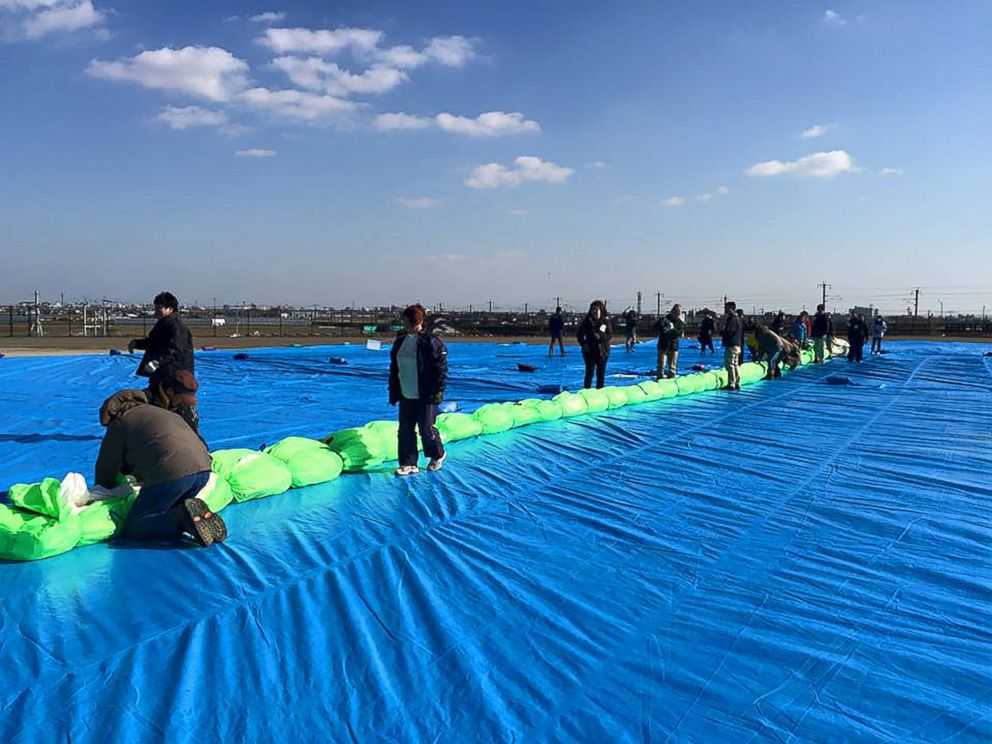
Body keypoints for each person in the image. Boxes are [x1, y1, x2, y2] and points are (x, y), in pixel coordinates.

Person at [95, 389, 226, 546]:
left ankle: (181, 520)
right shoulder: (162, 412)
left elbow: (107, 466)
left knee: (135, 526)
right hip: (203, 470)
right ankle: (195, 516)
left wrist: (103, 490)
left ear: (110, 414)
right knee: (174, 505)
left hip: (173, 474)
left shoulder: (120, 422)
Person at [389, 304, 448, 476]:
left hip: (425, 393)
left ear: (417, 321)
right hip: (406, 391)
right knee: (405, 429)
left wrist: (438, 391)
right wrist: (394, 389)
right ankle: (408, 462)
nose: (404, 323)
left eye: (407, 320)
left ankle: (437, 454)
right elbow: (395, 366)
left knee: (426, 428)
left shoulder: (431, 341)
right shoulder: (401, 340)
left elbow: (440, 368)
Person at [128, 292, 195, 392]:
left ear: (170, 309)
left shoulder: (177, 327)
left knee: (176, 403)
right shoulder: (162, 324)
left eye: (159, 308)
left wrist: (156, 362)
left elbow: (174, 350)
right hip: (161, 372)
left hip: (177, 375)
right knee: (155, 399)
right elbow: (153, 342)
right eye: (156, 308)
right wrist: (136, 343)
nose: (156, 311)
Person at [149, 366, 204, 441]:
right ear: (170, 391)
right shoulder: (148, 406)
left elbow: (195, 436)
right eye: (182, 399)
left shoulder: (186, 409)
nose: (184, 404)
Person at [577, 300, 612, 389]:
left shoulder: (605, 322)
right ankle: (587, 390)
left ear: (601, 311)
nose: (594, 312)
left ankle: (600, 391)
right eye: (593, 310)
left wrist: (600, 335)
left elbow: (609, 335)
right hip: (589, 351)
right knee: (589, 372)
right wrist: (584, 344)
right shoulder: (586, 322)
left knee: (600, 373)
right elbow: (579, 335)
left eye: (596, 310)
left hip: (602, 351)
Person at [655, 303, 685, 379]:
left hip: (673, 346)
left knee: (672, 367)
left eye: (679, 313)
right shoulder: (664, 320)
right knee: (661, 365)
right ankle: (660, 378)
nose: (677, 314)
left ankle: (671, 379)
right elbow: (655, 328)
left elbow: (679, 333)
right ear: (672, 311)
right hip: (663, 345)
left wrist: (672, 329)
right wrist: (662, 327)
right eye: (676, 312)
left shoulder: (679, 322)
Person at [721, 301, 743, 390]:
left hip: (732, 345)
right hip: (737, 344)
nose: (725, 310)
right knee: (735, 364)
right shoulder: (738, 319)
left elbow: (729, 332)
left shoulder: (732, 320)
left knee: (729, 364)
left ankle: (731, 383)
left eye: (726, 308)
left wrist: (722, 332)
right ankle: (737, 382)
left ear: (730, 309)